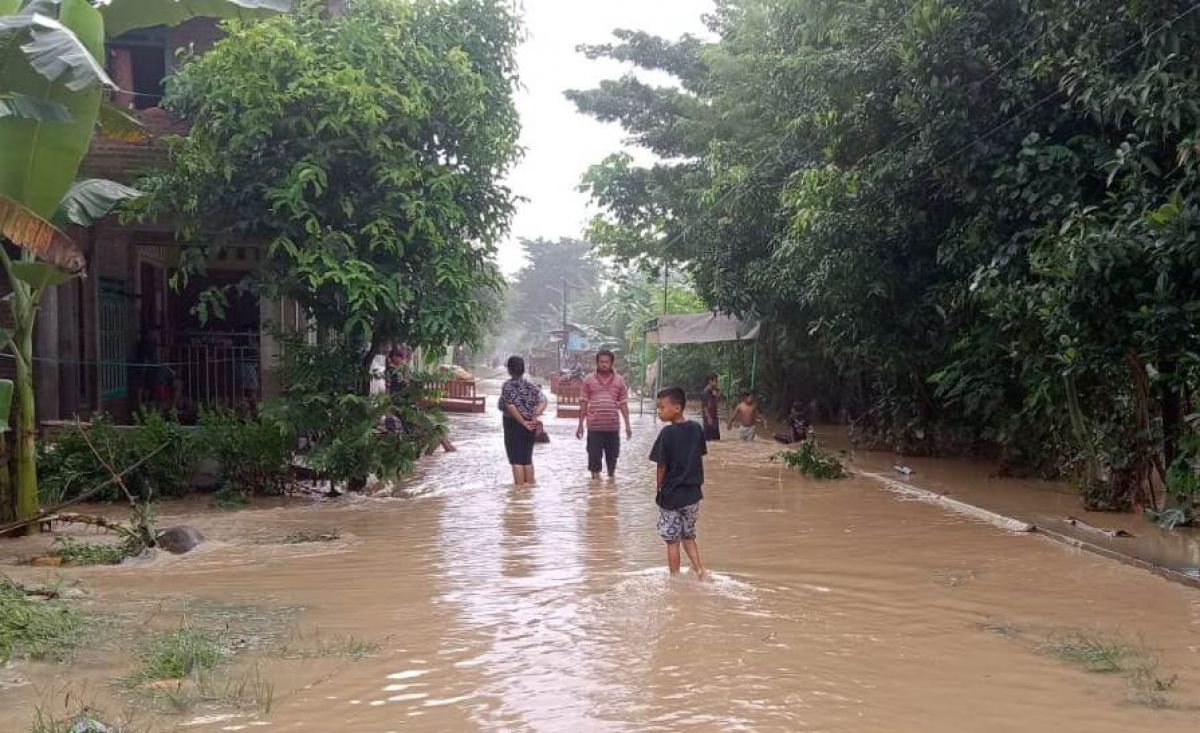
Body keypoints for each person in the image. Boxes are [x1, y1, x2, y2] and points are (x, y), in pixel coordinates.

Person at [649, 386, 708, 579]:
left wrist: (659, 489)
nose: (659, 411)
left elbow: (661, 467)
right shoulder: (697, 429)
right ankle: (700, 570)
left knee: (672, 541)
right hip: (692, 495)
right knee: (688, 536)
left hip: (671, 495)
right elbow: (699, 457)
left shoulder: (667, 434)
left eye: (662, 407)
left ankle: (674, 579)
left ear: (677, 408)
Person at [576, 349, 632, 479]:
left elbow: (623, 404)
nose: (604, 364)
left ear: (612, 363)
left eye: (607, 362)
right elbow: (583, 403)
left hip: (612, 427)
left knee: (612, 460)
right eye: (601, 361)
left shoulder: (619, 381)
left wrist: (628, 426)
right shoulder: (588, 380)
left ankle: (610, 487)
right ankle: (595, 490)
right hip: (594, 427)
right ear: (597, 363)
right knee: (594, 459)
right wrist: (580, 425)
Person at [499, 355, 544, 485]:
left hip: (513, 425)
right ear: (523, 369)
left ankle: (519, 493)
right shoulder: (532, 385)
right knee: (527, 459)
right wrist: (534, 416)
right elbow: (543, 401)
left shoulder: (507, 386)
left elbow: (510, 406)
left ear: (509, 369)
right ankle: (529, 491)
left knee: (516, 460)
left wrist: (522, 422)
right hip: (531, 425)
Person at [701, 373, 721, 441]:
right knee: (709, 439)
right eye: (715, 381)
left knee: (716, 439)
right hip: (709, 419)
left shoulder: (713, 391)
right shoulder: (706, 392)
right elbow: (705, 406)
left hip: (714, 418)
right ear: (710, 381)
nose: (717, 383)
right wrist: (709, 418)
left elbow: (715, 403)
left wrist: (716, 396)